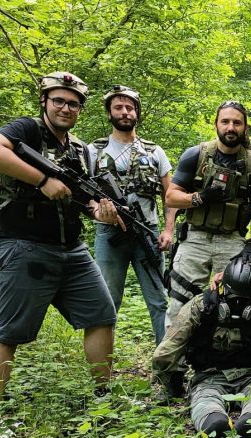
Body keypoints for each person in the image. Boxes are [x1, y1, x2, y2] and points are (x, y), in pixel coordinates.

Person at [0, 72, 121, 405]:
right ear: (44, 101)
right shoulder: (26, 130)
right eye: (59, 101)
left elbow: (85, 201)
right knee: (7, 331)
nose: (66, 108)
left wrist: (101, 212)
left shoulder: (81, 150)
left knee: (101, 315)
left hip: (72, 250)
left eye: (73, 104)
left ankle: (105, 396)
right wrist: (42, 179)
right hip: (23, 245)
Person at [152, 257, 251, 438]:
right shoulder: (202, 306)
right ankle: (215, 423)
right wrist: (171, 383)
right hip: (209, 377)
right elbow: (167, 351)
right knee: (208, 408)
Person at [164, 100, 251, 326]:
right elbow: (171, 197)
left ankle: (222, 358)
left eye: (236, 123)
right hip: (194, 238)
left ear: (245, 127)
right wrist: (200, 197)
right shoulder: (196, 155)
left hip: (232, 240)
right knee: (179, 305)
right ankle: (173, 361)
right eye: (225, 122)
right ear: (216, 124)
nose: (230, 127)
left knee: (235, 303)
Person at [88, 85, 175, 345]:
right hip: (109, 234)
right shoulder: (94, 150)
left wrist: (168, 230)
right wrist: (98, 211)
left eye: (129, 107)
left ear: (137, 112)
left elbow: (170, 195)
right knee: (107, 303)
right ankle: (103, 372)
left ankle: (165, 366)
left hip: (147, 233)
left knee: (159, 300)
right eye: (118, 107)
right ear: (109, 113)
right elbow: (83, 193)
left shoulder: (154, 151)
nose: (125, 112)